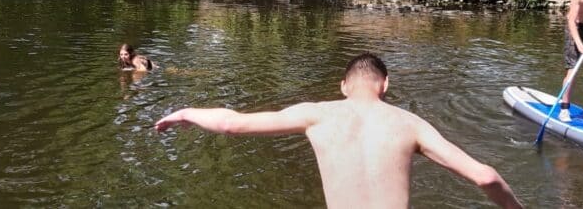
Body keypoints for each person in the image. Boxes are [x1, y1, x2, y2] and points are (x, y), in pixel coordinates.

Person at [154, 53, 523, 208]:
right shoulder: (410, 124)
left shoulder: (317, 115)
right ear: (385, 85)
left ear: (343, 86)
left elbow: (231, 123)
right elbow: (486, 177)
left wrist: (185, 112)